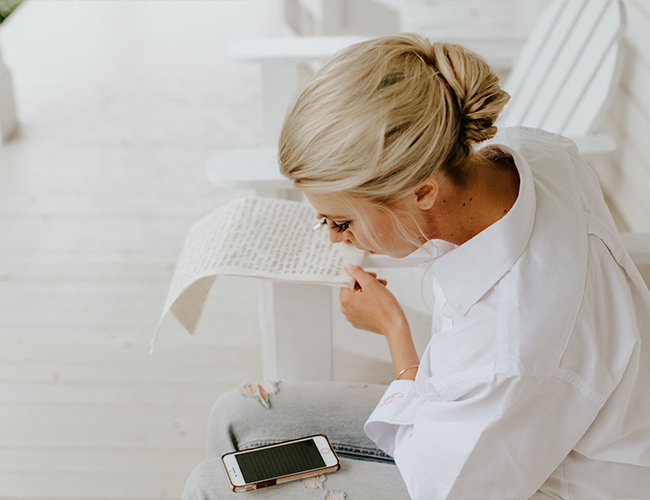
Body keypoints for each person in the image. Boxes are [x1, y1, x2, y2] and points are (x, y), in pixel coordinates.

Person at [183, 34, 650, 499]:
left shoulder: (511, 352)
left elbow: (439, 486)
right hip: (484, 422)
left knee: (212, 486)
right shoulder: (536, 154)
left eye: (341, 221)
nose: (332, 238)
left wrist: (393, 329)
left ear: (423, 192)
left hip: (533, 479)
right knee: (236, 414)